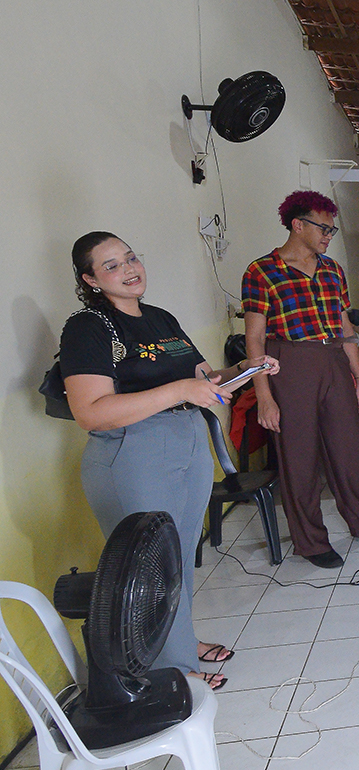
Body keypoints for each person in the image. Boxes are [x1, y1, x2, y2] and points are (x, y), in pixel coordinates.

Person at [60, 232, 283, 689]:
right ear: (90, 279)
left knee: (178, 555)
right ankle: (169, 670)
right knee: (149, 566)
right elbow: (90, 412)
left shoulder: (160, 318)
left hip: (186, 439)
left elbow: (206, 380)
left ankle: (180, 642)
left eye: (131, 257)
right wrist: (180, 390)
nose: (129, 269)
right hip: (133, 449)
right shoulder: (88, 327)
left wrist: (246, 370)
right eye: (111, 265)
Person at [242, 190, 359, 570]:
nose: (329, 236)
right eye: (324, 228)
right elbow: (254, 338)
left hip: (333, 359)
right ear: (297, 225)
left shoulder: (332, 270)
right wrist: (264, 395)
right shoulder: (262, 271)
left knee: (350, 449)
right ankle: (311, 541)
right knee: (299, 457)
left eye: (332, 230)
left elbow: (345, 327)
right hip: (289, 363)